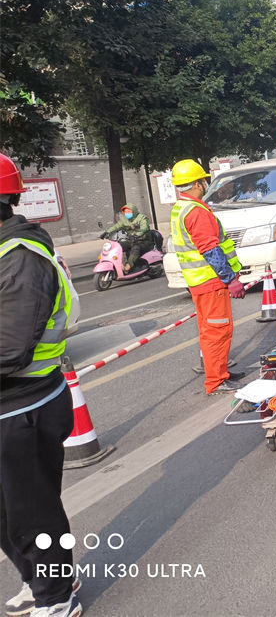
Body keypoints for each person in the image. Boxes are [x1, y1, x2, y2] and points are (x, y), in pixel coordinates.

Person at [0, 154, 83, 617]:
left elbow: (9, 349)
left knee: (32, 514)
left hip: (24, 405)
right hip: (9, 406)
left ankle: (56, 596)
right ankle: (40, 580)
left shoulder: (20, 260)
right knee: (7, 517)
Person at [169, 159, 246, 394]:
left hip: (199, 282)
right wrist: (231, 279)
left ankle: (219, 371)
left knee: (210, 329)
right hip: (211, 281)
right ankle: (216, 380)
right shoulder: (196, 212)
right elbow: (210, 250)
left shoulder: (180, 208)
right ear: (196, 183)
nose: (205, 184)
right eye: (202, 180)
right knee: (218, 330)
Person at [101, 204, 152, 272]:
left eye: (128, 211)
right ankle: (117, 265)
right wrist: (107, 232)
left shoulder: (141, 218)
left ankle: (128, 266)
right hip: (131, 240)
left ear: (133, 211)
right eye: (125, 212)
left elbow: (144, 228)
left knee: (135, 248)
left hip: (144, 241)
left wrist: (137, 234)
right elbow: (116, 226)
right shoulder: (124, 220)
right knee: (118, 246)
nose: (127, 213)